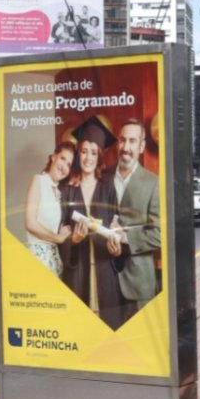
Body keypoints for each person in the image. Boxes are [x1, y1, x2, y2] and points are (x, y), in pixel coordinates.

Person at [61, 117, 126, 330]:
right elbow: (59, 234)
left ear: (100, 157)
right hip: (77, 274)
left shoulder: (108, 189)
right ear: (78, 154)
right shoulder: (67, 189)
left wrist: (117, 252)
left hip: (105, 272)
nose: (88, 157)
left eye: (94, 152)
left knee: (107, 333)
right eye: (84, 151)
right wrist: (74, 240)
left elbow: (119, 231)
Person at [107, 118, 161, 322]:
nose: (126, 147)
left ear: (142, 146)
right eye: (122, 140)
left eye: (132, 141)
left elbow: (160, 234)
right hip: (104, 281)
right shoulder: (101, 177)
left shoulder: (153, 183)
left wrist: (125, 238)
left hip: (139, 284)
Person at [24, 142, 75, 276]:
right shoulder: (38, 180)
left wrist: (62, 232)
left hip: (55, 262)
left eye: (69, 164)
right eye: (63, 159)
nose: (64, 167)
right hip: (37, 260)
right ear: (53, 157)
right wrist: (57, 238)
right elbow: (30, 224)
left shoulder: (59, 192)